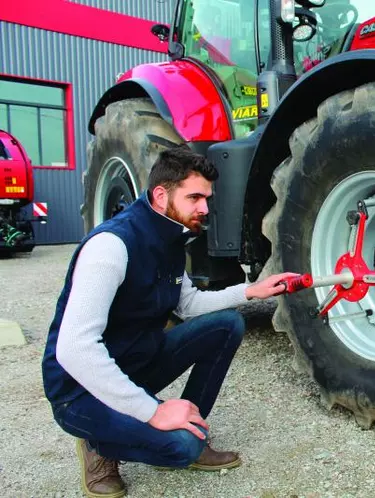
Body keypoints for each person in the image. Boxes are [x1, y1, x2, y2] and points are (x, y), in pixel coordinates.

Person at [41, 145, 298, 498]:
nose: (205, 208)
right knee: (180, 448)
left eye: (207, 198)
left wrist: (252, 291)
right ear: (161, 195)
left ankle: (192, 426)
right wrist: (152, 411)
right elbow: (74, 349)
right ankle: (98, 447)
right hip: (81, 389)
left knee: (227, 325)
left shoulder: (171, 238)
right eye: (195, 197)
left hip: (133, 362)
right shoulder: (111, 247)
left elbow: (189, 305)